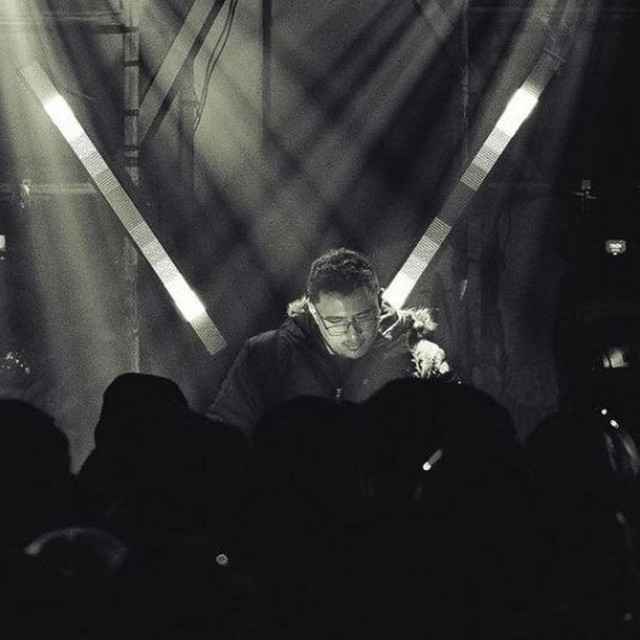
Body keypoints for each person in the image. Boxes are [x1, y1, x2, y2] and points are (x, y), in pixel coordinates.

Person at [208, 248, 453, 439]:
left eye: (363, 317)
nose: (354, 334)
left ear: (379, 300)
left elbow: (458, 435)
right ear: (313, 311)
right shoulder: (266, 357)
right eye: (336, 321)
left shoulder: (421, 357)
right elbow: (225, 440)